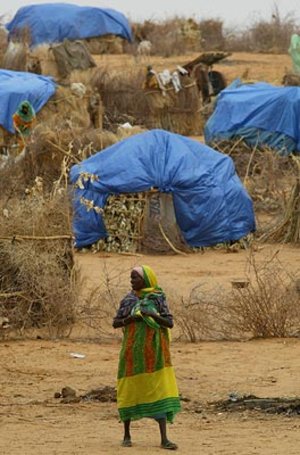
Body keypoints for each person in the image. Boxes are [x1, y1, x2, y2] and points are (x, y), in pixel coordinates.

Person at [113, 265, 181, 450]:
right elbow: (116, 322)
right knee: (130, 388)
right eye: (131, 278)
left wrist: (152, 315)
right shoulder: (128, 300)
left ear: (147, 280)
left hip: (156, 353)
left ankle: (164, 438)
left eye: (135, 278)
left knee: (157, 388)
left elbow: (169, 323)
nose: (132, 281)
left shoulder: (158, 298)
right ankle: (127, 435)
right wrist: (131, 319)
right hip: (132, 352)